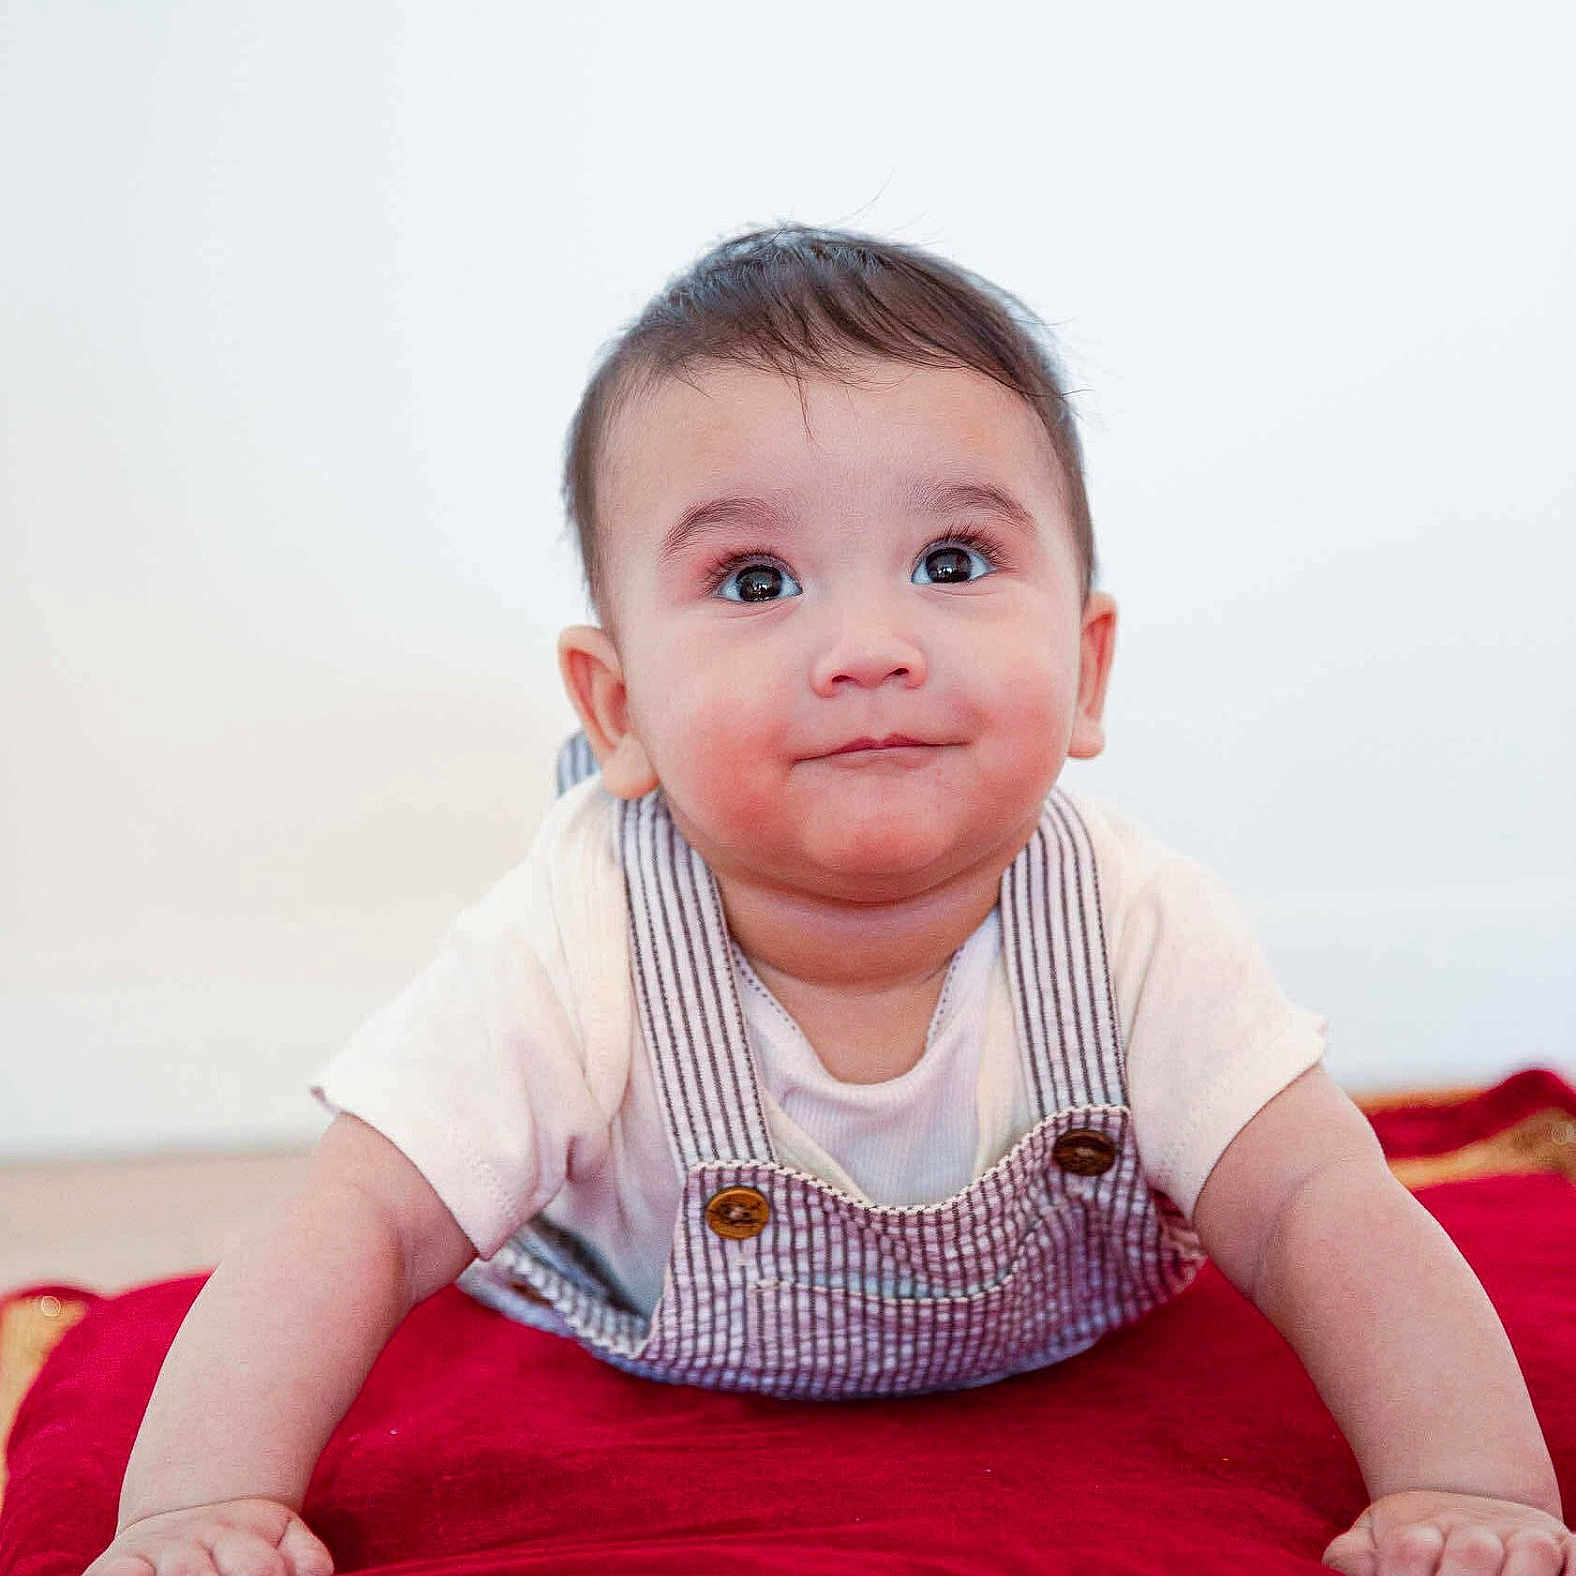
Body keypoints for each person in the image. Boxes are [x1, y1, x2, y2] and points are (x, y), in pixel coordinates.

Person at [88, 225, 1570, 1576]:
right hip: (646, 1334)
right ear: (619, 712)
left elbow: (1321, 1201)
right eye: (754, 582)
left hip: (1066, 1346)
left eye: (950, 559)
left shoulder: (1132, 921)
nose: (867, 645)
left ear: (1090, 667)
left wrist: (1469, 1485)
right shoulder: (578, 932)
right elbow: (354, 1220)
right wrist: (194, 1509)